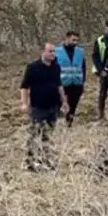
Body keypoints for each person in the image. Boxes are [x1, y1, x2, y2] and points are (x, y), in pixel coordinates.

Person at [20, 42, 65, 171]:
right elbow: (24, 86)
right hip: (38, 107)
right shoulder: (33, 67)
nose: (53, 54)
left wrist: (64, 102)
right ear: (43, 52)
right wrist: (24, 103)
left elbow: (59, 85)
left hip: (53, 106)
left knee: (49, 135)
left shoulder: (56, 67)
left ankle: (46, 160)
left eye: (54, 52)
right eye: (50, 51)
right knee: (34, 134)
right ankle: (28, 161)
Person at [57, 31, 86, 126]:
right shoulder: (57, 51)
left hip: (77, 83)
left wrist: (83, 82)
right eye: (73, 40)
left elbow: (83, 68)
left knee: (73, 106)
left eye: (77, 40)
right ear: (67, 38)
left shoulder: (80, 52)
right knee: (61, 105)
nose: (75, 42)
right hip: (63, 83)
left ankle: (69, 123)